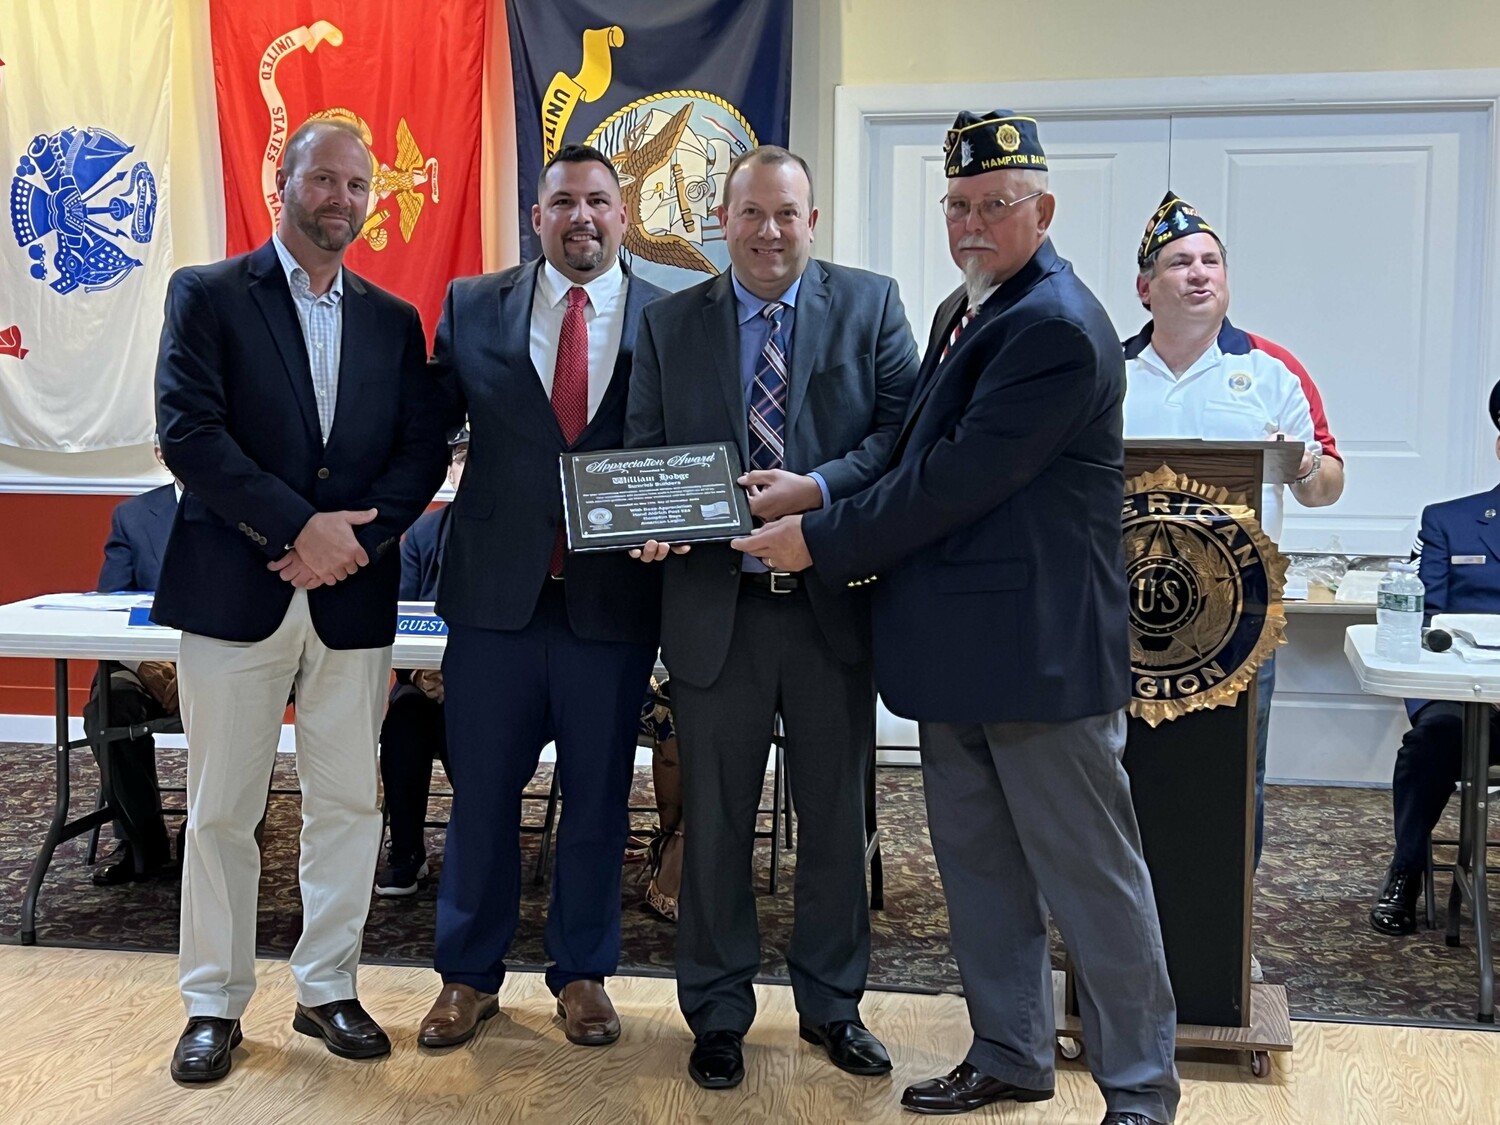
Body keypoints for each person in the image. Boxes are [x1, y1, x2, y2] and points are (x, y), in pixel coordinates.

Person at [735, 113, 1179, 1125]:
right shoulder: (967, 308)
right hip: (958, 657)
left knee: (1091, 881)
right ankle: (1012, 1053)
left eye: (996, 206)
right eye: (959, 206)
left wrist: (824, 540)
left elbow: (953, 483)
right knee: (982, 873)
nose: (973, 224)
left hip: (1041, 661)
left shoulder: (1054, 328)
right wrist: (815, 490)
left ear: (1044, 211)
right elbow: (910, 453)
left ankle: (1143, 1088)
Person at [153, 118, 448, 1084]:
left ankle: (328, 986)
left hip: (354, 601)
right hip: (234, 588)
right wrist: (297, 529)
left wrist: (353, 540)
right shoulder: (206, 295)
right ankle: (213, 1000)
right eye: (323, 179)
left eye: (357, 185)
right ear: (285, 183)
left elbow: (419, 452)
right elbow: (190, 434)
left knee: (346, 806)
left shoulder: (393, 319)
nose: (341, 199)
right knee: (223, 807)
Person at [625, 145, 920, 1090]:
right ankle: (716, 1011)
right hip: (717, 615)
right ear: (723, 220)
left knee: (836, 821)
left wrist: (818, 489)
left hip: (831, 608)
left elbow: (901, 437)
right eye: (750, 213)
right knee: (713, 825)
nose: (767, 231)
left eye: (786, 214)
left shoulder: (871, 305)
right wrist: (654, 523)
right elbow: (645, 452)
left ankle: (834, 1006)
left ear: (813, 221)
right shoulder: (672, 324)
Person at [418, 145, 665, 1051]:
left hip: (611, 601)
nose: (582, 217)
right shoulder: (473, 304)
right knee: (481, 793)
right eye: (563, 201)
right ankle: (465, 975)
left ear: (623, 213)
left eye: (598, 200)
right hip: (494, 601)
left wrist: (682, 522)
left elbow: (689, 447)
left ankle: (584, 972)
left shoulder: (672, 316)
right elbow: (426, 427)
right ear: (537, 217)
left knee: (599, 798)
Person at [1121, 192, 1345, 980]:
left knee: (1232, 779)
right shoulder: (1104, 371)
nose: (1198, 274)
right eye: (1179, 262)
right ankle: (1119, 936)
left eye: (1211, 261)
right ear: (1144, 286)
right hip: (1127, 619)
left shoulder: (1271, 371)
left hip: (1241, 623)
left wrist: (1307, 465)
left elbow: (1327, 485)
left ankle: (1224, 935)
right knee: (1123, 774)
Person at [1370, 380, 1500, 935]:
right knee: (1428, 744)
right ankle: (1407, 867)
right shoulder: (1451, 521)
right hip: (1465, 701)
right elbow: (1422, 619)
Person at [373, 427, 466, 896]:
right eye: (461, 459)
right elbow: (401, 617)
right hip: (422, 679)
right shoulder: (423, 533)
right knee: (405, 721)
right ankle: (407, 850)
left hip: (493, 683)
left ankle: (475, 850)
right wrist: (420, 672)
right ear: (448, 469)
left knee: (462, 724)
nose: (468, 470)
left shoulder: (522, 533)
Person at [83, 440, 178, 886]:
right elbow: (111, 609)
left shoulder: (255, 512)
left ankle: (221, 845)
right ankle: (144, 843)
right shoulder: (133, 516)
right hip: (145, 659)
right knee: (108, 709)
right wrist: (146, 665)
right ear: (160, 452)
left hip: (230, 659)